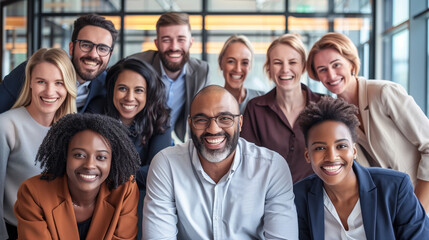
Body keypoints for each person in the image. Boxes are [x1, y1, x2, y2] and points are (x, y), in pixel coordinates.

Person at [143, 85, 298, 239]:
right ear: (190, 124)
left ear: (240, 123)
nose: (213, 129)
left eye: (225, 118)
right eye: (202, 120)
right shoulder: (166, 164)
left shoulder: (271, 168)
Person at [306, 32, 429, 213]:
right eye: (322, 69)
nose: (331, 75)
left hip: (421, 201)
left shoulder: (384, 93)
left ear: (351, 63)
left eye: (336, 65)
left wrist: (419, 210)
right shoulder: (336, 116)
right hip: (390, 210)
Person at [294, 96, 429, 239]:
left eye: (341, 146)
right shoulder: (299, 197)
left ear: (353, 151)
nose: (332, 157)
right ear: (308, 155)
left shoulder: (395, 188)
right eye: (320, 148)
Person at [14, 113, 140, 239]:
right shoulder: (33, 193)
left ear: (112, 161)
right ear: (65, 156)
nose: (90, 165)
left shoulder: (125, 189)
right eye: (79, 155)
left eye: (101, 157)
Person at [0, 48, 77, 240]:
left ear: (68, 86)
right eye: (41, 81)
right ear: (30, 83)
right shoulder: (6, 126)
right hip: (15, 233)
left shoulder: (74, 130)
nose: (50, 92)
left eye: (58, 83)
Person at [241, 33, 323, 183]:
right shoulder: (255, 109)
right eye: (278, 63)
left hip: (316, 198)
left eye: (292, 62)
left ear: (303, 66)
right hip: (269, 198)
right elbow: (248, 163)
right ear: (269, 68)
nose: (285, 69)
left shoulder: (324, 105)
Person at [0, 14, 118, 113]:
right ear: (71, 48)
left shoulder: (107, 86)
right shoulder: (36, 69)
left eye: (103, 48)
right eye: (86, 45)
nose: (93, 55)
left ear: (110, 55)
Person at [128, 11, 209, 142]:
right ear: (156, 43)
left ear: (191, 42)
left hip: (170, 139)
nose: (174, 47)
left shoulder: (201, 71)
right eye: (166, 40)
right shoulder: (137, 64)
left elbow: (205, 112)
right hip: (133, 136)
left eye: (181, 39)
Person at [218, 35, 265, 113]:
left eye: (244, 63)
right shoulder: (211, 103)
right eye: (231, 61)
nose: (237, 69)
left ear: (250, 67)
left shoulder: (262, 100)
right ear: (220, 63)